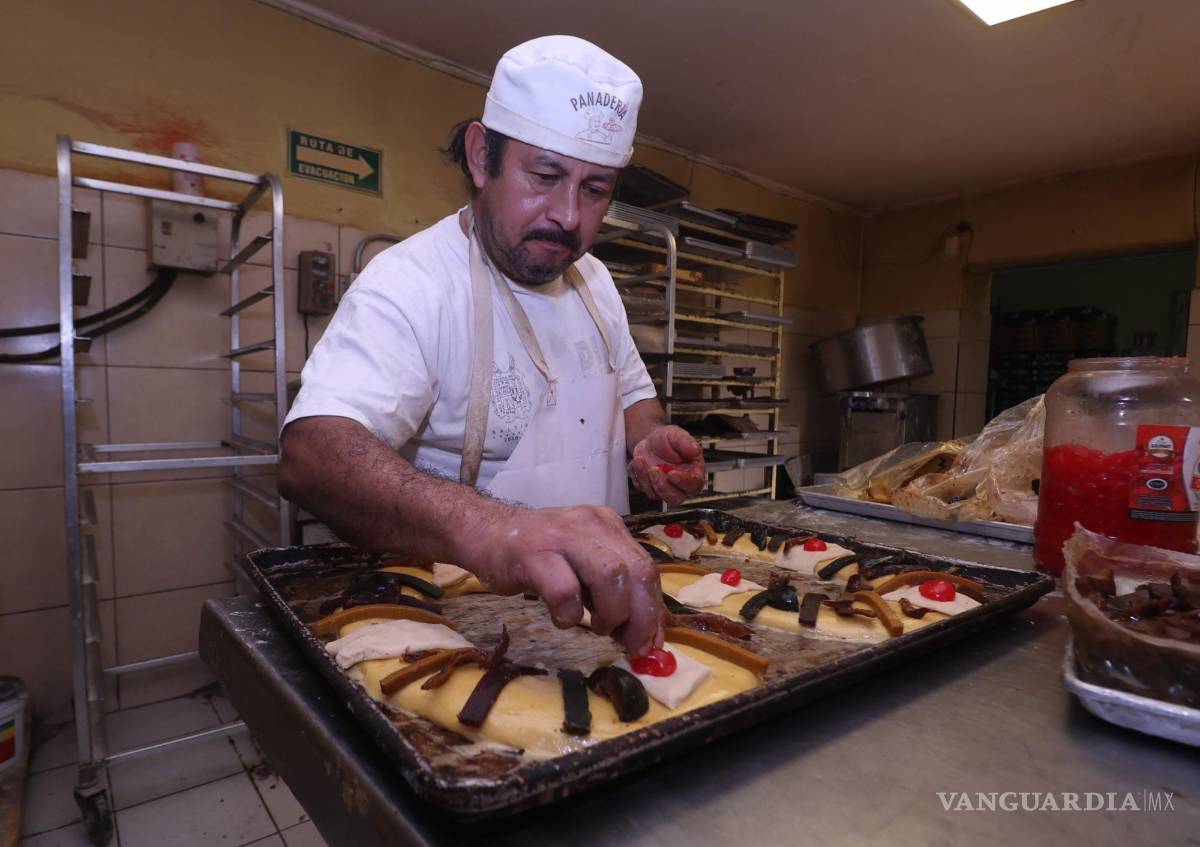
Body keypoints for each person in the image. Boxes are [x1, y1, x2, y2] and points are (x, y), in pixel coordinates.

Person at [278, 35, 706, 657]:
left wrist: (649, 444)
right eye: (546, 175)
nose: (568, 215)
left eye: (595, 190)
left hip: (609, 613)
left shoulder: (596, 281)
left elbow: (634, 398)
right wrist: (502, 530)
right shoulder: (412, 282)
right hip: (468, 631)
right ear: (482, 157)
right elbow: (310, 456)